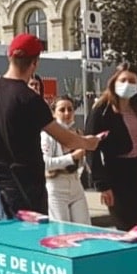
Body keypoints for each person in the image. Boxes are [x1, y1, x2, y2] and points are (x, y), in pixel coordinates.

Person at [0, 34, 101, 218]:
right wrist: (89, 143)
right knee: (30, 239)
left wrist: (3, 150)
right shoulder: (30, 99)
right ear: (34, 63)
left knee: (7, 238)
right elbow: (66, 139)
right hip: (28, 185)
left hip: (0, 182)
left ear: (10, 57)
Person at [84, 64, 137, 231]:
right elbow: (91, 149)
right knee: (126, 229)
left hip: (136, 175)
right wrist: (102, 185)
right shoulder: (102, 110)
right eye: (123, 80)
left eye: (132, 81)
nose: (127, 84)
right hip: (115, 175)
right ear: (114, 81)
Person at [42, 95, 91, 225]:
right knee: (62, 230)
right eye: (62, 110)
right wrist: (72, 157)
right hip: (56, 186)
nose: (67, 113)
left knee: (84, 227)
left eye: (70, 109)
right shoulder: (47, 135)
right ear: (54, 113)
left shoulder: (77, 133)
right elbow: (45, 163)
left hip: (75, 184)